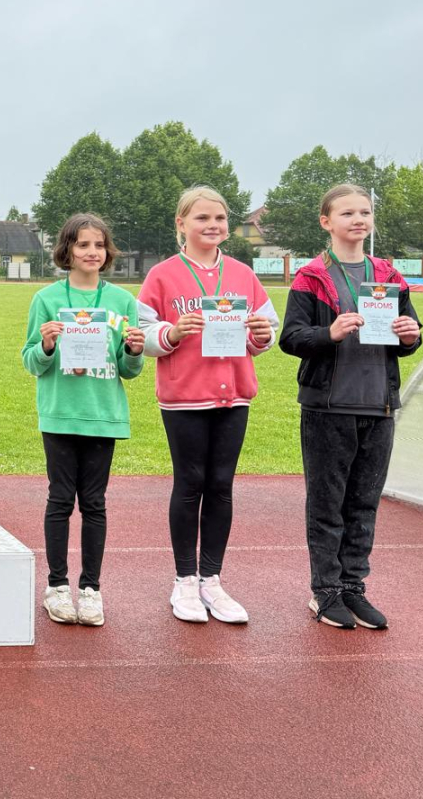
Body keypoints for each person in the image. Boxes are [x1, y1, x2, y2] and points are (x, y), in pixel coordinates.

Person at [280, 183, 421, 629]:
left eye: (364, 212)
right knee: (327, 505)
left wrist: (410, 335)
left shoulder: (389, 276)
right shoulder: (311, 277)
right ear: (326, 222)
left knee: (364, 503)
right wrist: (330, 333)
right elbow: (291, 338)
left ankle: (353, 587)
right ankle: (325, 591)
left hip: (379, 405)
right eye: (347, 213)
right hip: (328, 407)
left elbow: (409, 335)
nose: (358, 219)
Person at [137, 186, 278, 624]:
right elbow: (142, 335)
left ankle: (211, 580)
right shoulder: (162, 275)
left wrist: (261, 334)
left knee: (221, 484)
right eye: (202, 218)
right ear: (181, 224)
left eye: (219, 218)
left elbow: (266, 331)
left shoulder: (242, 274)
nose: (213, 225)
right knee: (190, 482)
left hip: (234, 395)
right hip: (185, 397)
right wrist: (172, 332)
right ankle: (184, 580)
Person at [22, 214, 144, 626]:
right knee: (60, 500)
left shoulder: (123, 302)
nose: (92, 252)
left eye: (99, 245)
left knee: (94, 503)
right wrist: (46, 345)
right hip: (60, 413)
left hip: (102, 415)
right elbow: (31, 361)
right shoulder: (46, 299)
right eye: (83, 245)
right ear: (67, 250)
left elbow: (129, 370)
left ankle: (91, 589)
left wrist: (133, 350)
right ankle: (57, 586)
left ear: (108, 251)